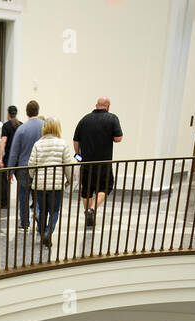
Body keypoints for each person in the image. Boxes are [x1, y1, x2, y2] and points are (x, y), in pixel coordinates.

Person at [73, 96, 124, 227]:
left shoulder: (84, 119)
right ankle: (92, 209)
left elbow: (76, 140)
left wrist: (79, 158)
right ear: (107, 106)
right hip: (104, 163)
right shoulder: (112, 118)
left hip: (86, 163)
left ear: (96, 105)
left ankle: (87, 213)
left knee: (87, 189)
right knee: (106, 187)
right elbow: (118, 138)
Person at [27, 116, 75, 248]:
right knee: (54, 211)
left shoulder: (38, 144)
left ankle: (43, 232)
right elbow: (68, 165)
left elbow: (31, 165)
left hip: (40, 185)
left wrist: (33, 177)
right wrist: (70, 180)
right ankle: (49, 232)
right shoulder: (62, 143)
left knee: (42, 210)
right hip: (56, 185)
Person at [6, 100, 44, 231]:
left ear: (27, 112)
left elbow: (14, 152)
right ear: (38, 111)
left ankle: (24, 222)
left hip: (24, 168)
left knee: (24, 195)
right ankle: (39, 215)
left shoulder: (22, 129)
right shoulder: (45, 127)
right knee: (39, 194)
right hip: (41, 167)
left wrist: (10, 171)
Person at [0, 104, 21, 209]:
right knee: (22, 182)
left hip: (8, 158)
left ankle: (4, 203)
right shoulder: (21, 125)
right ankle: (24, 202)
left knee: (4, 182)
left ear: (8, 114)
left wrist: (0, 158)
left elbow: (3, 142)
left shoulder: (6, 126)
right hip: (20, 158)